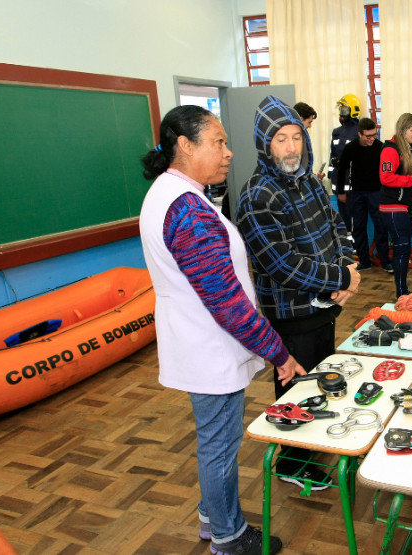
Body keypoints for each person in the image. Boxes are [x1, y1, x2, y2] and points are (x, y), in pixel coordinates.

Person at [140, 105, 303, 555]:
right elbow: (228, 304)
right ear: (185, 146)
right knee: (219, 446)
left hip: (197, 341)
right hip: (208, 346)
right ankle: (230, 538)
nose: (229, 153)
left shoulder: (170, 194)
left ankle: (213, 518)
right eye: (218, 142)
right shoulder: (186, 210)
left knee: (215, 440)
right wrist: (279, 353)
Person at [236, 95, 361, 489]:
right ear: (264, 144)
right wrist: (340, 279)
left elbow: (335, 224)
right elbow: (283, 265)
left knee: (319, 382)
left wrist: (350, 266)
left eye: (296, 137)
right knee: (296, 389)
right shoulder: (257, 196)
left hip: (322, 307)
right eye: (281, 140)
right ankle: (290, 462)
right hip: (291, 315)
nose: (292, 147)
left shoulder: (307, 179)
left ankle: (309, 444)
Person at [336, 117, 392, 272]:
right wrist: (341, 192)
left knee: (381, 227)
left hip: (377, 193)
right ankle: (364, 261)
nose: (372, 139)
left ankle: (385, 261)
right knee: (358, 228)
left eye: (374, 135)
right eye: (368, 136)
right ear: (359, 134)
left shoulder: (380, 147)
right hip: (357, 194)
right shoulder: (351, 148)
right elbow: (342, 171)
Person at [379, 112, 412, 299]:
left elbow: (405, 178)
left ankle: (403, 291)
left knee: (404, 249)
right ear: (403, 129)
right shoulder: (390, 150)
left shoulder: (407, 150)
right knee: (401, 249)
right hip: (393, 208)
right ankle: (401, 293)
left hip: (405, 208)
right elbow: (386, 178)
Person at [329, 94, 362, 235]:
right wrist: (331, 175)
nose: (342, 113)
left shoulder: (359, 132)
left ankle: (356, 248)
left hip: (353, 188)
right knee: (343, 220)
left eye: (344, 109)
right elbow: (333, 156)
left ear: (353, 111)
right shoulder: (336, 132)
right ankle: (348, 248)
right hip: (339, 186)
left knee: (355, 221)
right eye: (341, 109)